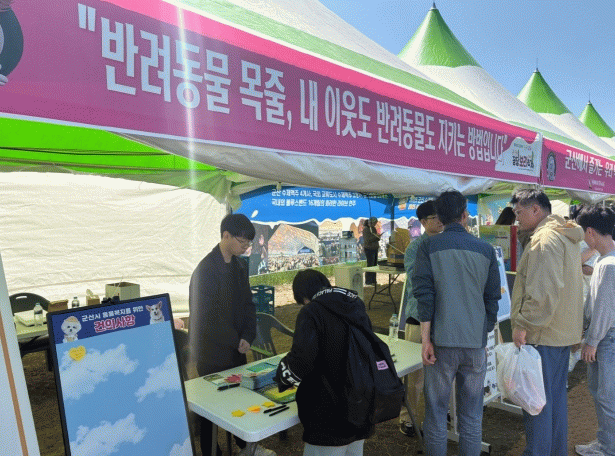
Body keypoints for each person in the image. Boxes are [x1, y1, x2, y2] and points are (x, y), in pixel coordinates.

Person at [412, 190, 500, 456]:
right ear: (464, 215)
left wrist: (425, 340)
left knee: (436, 414)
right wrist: (483, 331)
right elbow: (492, 299)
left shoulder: (427, 247)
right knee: (472, 416)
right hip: (474, 343)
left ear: (439, 217)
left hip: (441, 342)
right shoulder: (485, 249)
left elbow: (424, 296)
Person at [188, 213, 275, 456]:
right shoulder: (205, 270)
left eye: (248, 242)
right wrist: (235, 340)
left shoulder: (240, 265)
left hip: (237, 345)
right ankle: (210, 451)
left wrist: (248, 335)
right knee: (211, 405)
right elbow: (205, 317)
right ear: (225, 236)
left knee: (240, 396)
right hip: (212, 350)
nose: (246, 247)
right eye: (242, 241)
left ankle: (245, 446)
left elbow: (248, 304)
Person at [509, 189, 584, 456]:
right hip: (559, 333)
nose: (516, 218)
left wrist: (523, 324)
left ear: (535, 210)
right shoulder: (563, 234)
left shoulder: (544, 239)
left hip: (543, 334)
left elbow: (542, 293)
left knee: (536, 404)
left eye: (519, 212)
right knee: (553, 400)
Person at [274, 269, 374, 456]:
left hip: (328, 413)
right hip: (359, 402)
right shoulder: (353, 303)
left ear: (304, 296)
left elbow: (301, 361)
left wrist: (282, 375)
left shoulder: (311, 311)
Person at [398, 200, 443, 437]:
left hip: (443, 318)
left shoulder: (448, 242)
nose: (440, 220)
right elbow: (417, 281)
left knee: (442, 371)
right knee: (415, 374)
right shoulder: (415, 248)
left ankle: (442, 413)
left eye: (441, 216)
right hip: (418, 317)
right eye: (435, 217)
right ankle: (408, 418)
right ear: (424, 222)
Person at [574, 205, 615, 456]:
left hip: (607, 339)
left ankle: (608, 447)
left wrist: (591, 340)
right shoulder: (605, 259)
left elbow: (604, 308)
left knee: (606, 397)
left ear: (590, 232)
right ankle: (605, 442)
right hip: (606, 337)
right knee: (604, 394)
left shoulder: (608, 264)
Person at [363, 217, 380, 286]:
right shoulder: (366, 229)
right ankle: (368, 281)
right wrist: (376, 237)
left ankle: (373, 280)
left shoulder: (373, 228)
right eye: (375, 223)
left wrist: (378, 237)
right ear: (371, 222)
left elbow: (374, 238)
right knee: (370, 265)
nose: (375, 224)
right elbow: (367, 240)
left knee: (375, 265)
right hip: (369, 249)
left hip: (375, 248)